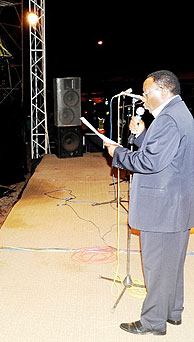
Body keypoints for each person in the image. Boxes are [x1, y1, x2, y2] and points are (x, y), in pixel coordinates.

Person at [105, 70, 194, 336]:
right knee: (172, 263)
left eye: (146, 92)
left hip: (162, 207)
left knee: (156, 266)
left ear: (163, 91)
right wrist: (142, 136)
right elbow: (167, 154)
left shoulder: (168, 119)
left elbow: (149, 162)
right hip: (177, 203)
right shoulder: (181, 113)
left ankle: (154, 322)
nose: (143, 98)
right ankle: (172, 312)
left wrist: (117, 152)